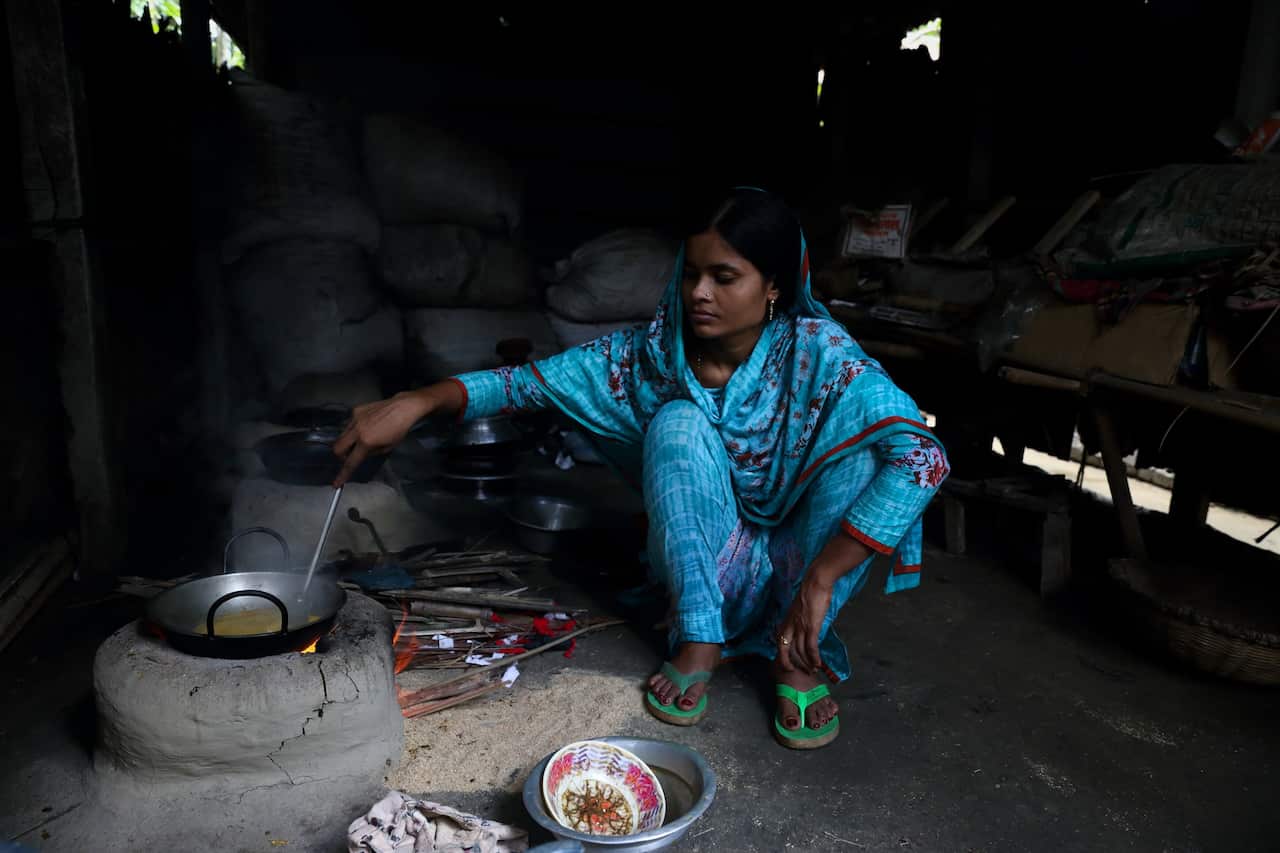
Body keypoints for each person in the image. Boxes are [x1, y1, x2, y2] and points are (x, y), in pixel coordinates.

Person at [333, 189, 948, 749]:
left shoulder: (822, 353)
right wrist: (418, 401)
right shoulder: (653, 356)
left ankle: (795, 658)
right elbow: (526, 384)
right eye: (693, 274)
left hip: (802, 571)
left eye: (724, 277)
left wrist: (821, 577)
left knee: (868, 449)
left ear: (774, 287)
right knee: (675, 423)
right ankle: (700, 639)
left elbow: (923, 456)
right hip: (710, 567)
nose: (699, 293)